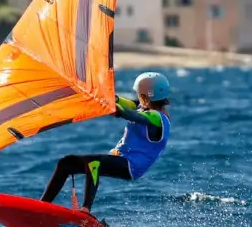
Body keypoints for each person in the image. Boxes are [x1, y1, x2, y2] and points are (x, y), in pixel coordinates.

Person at [39, 71, 172, 213]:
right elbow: (121, 101)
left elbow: (129, 114)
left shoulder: (157, 117)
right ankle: (41, 207)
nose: (137, 96)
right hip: (119, 158)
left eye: (139, 93)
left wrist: (114, 108)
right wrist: (98, 94)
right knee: (66, 163)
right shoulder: (142, 106)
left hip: (131, 166)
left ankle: (85, 210)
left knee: (93, 164)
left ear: (145, 96)